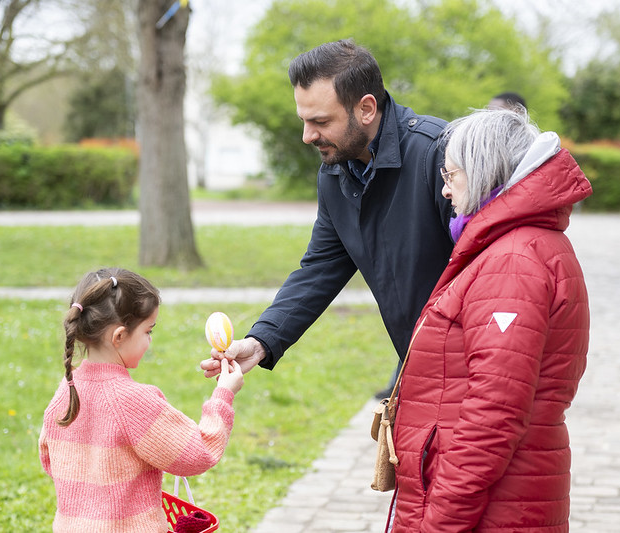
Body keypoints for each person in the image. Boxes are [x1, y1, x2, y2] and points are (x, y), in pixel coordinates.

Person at [200, 40, 454, 386]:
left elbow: (493, 274)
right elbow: (320, 268)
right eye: (304, 121)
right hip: (419, 362)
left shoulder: (441, 156)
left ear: (366, 108)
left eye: (320, 121)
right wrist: (261, 342)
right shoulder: (335, 174)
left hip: (477, 364)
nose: (307, 136)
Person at [387, 108, 592, 532]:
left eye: (451, 176)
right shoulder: (512, 246)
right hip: (503, 497)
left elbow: (494, 415)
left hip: (493, 508)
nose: (444, 191)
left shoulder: (512, 261)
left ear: (482, 172)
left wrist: (439, 524)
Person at [39, 267, 244, 532]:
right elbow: (198, 453)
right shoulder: (134, 402)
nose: (149, 341)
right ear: (119, 336)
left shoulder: (65, 392)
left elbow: (49, 460)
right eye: (148, 331)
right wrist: (223, 394)